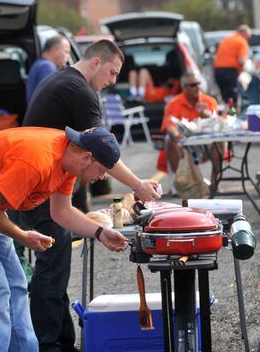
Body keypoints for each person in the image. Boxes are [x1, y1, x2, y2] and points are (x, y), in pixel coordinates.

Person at [0, 126, 129, 352]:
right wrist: (22, 236)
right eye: (102, 170)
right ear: (86, 157)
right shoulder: (37, 161)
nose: (101, 177)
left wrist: (100, 233)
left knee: (16, 283)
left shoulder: (68, 162)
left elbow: (61, 212)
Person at [20, 39, 160, 352]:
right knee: (52, 263)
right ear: (96, 63)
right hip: (35, 183)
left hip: (46, 180)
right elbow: (102, 150)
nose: (112, 81)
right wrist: (137, 185)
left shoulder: (61, 79)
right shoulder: (81, 90)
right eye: (112, 72)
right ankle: (48, 343)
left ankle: (61, 339)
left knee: (56, 263)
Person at [161, 72, 220, 185]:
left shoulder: (209, 101)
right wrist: (177, 136)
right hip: (185, 144)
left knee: (221, 142)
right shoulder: (174, 103)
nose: (197, 87)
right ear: (184, 87)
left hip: (207, 143)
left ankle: (215, 183)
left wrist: (205, 114)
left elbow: (217, 123)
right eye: (193, 85)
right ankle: (184, 183)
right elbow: (169, 126)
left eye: (198, 84)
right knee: (170, 141)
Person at [213, 24, 252, 105]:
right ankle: (232, 116)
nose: (249, 39)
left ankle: (226, 115)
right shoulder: (242, 42)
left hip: (218, 71)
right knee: (232, 100)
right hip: (230, 72)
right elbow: (241, 61)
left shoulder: (227, 39)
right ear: (244, 33)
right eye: (248, 36)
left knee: (225, 99)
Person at [26, 35, 71, 103]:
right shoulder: (47, 67)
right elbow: (50, 100)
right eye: (66, 52)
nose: (68, 56)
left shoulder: (40, 64)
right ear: (55, 50)